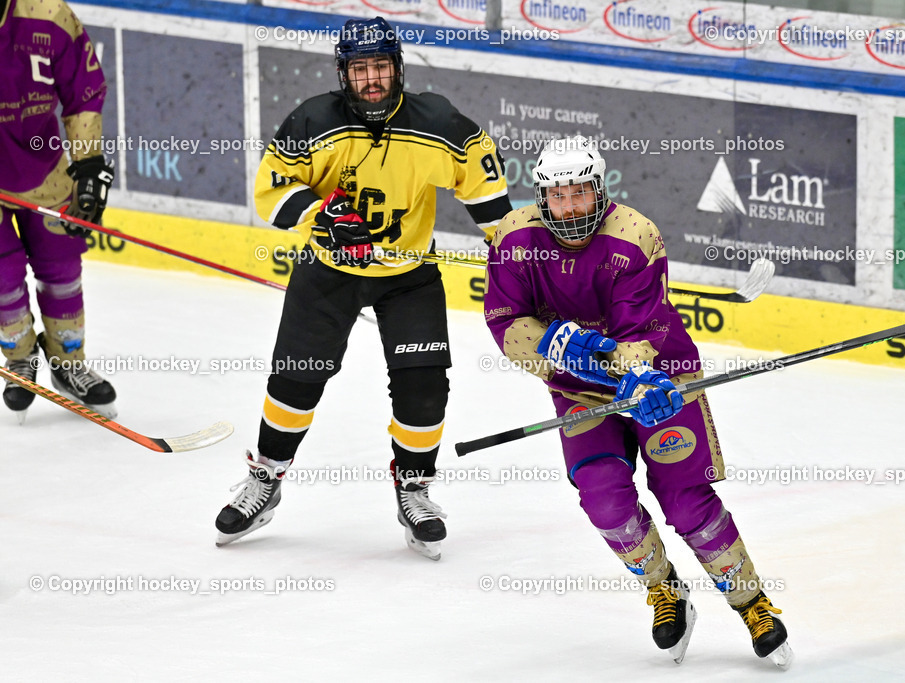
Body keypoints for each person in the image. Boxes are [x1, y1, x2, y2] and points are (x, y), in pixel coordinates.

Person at [482, 136, 792, 668]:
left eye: (581, 192)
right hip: (577, 388)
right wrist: (563, 349)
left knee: (685, 499)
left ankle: (752, 603)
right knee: (604, 500)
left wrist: (638, 379)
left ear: (599, 188)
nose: (571, 206)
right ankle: (664, 589)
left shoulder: (634, 235)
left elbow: (639, 330)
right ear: (542, 196)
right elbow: (505, 323)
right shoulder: (513, 241)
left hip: (660, 375)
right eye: (558, 196)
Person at [215, 16, 512, 559]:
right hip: (329, 270)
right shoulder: (312, 120)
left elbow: (488, 195)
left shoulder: (439, 122)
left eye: (380, 66)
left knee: (424, 388)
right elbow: (271, 191)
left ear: (397, 68)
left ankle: (414, 488)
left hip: (408, 277)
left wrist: (515, 256)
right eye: (359, 69)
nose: (371, 78)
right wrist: (323, 213)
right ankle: (267, 478)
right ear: (343, 73)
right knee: (295, 380)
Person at [0, 0, 117, 423]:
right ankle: (19, 356)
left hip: (44, 170)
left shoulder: (48, 15)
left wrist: (87, 165)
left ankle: (68, 361)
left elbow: (83, 91)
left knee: (62, 269)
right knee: (0, 277)